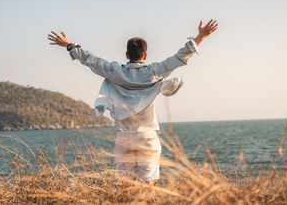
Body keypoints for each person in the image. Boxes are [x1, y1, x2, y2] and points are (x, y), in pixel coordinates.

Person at [47, 19, 218, 184]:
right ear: (145, 55)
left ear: (127, 54)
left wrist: (68, 45)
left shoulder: (114, 71)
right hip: (147, 138)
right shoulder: (154, 71)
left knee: (125, 188)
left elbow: (90, 59)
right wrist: (201, 37)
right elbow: (180, 56)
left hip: (124, 138)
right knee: (148, 189)